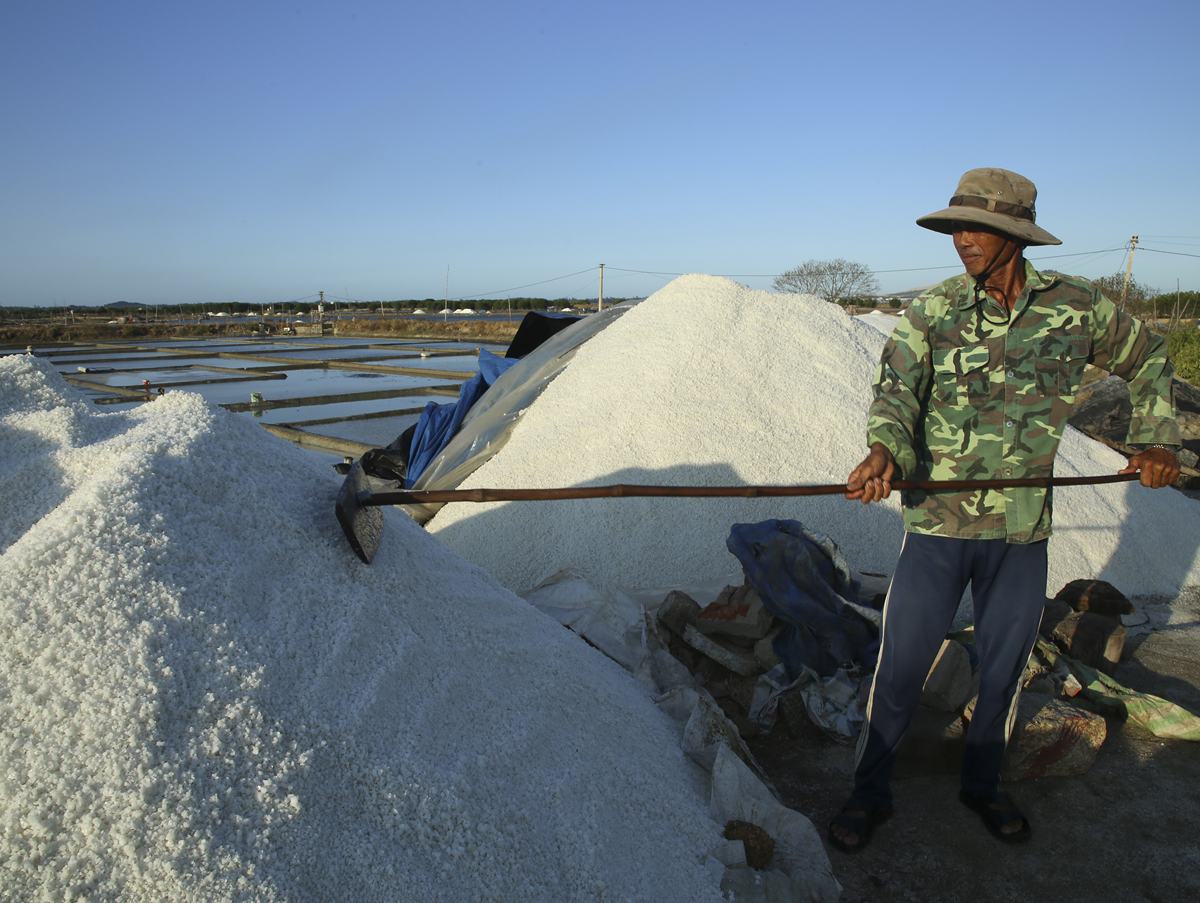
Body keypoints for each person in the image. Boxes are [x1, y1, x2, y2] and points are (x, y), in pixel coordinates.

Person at [828, 168, 1181, 852]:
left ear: (1016, 235)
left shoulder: (1076, 309)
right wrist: (884, 452)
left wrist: (1158, 438)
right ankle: (869, 790)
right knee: (901, 667)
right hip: (938, 523)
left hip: (1021, 530)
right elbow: (896, 395)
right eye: (955, 226)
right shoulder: (932, 313)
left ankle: (983, 782)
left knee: (1002, 667)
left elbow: (1149, 357)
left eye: (977, 227)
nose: (961, 239)